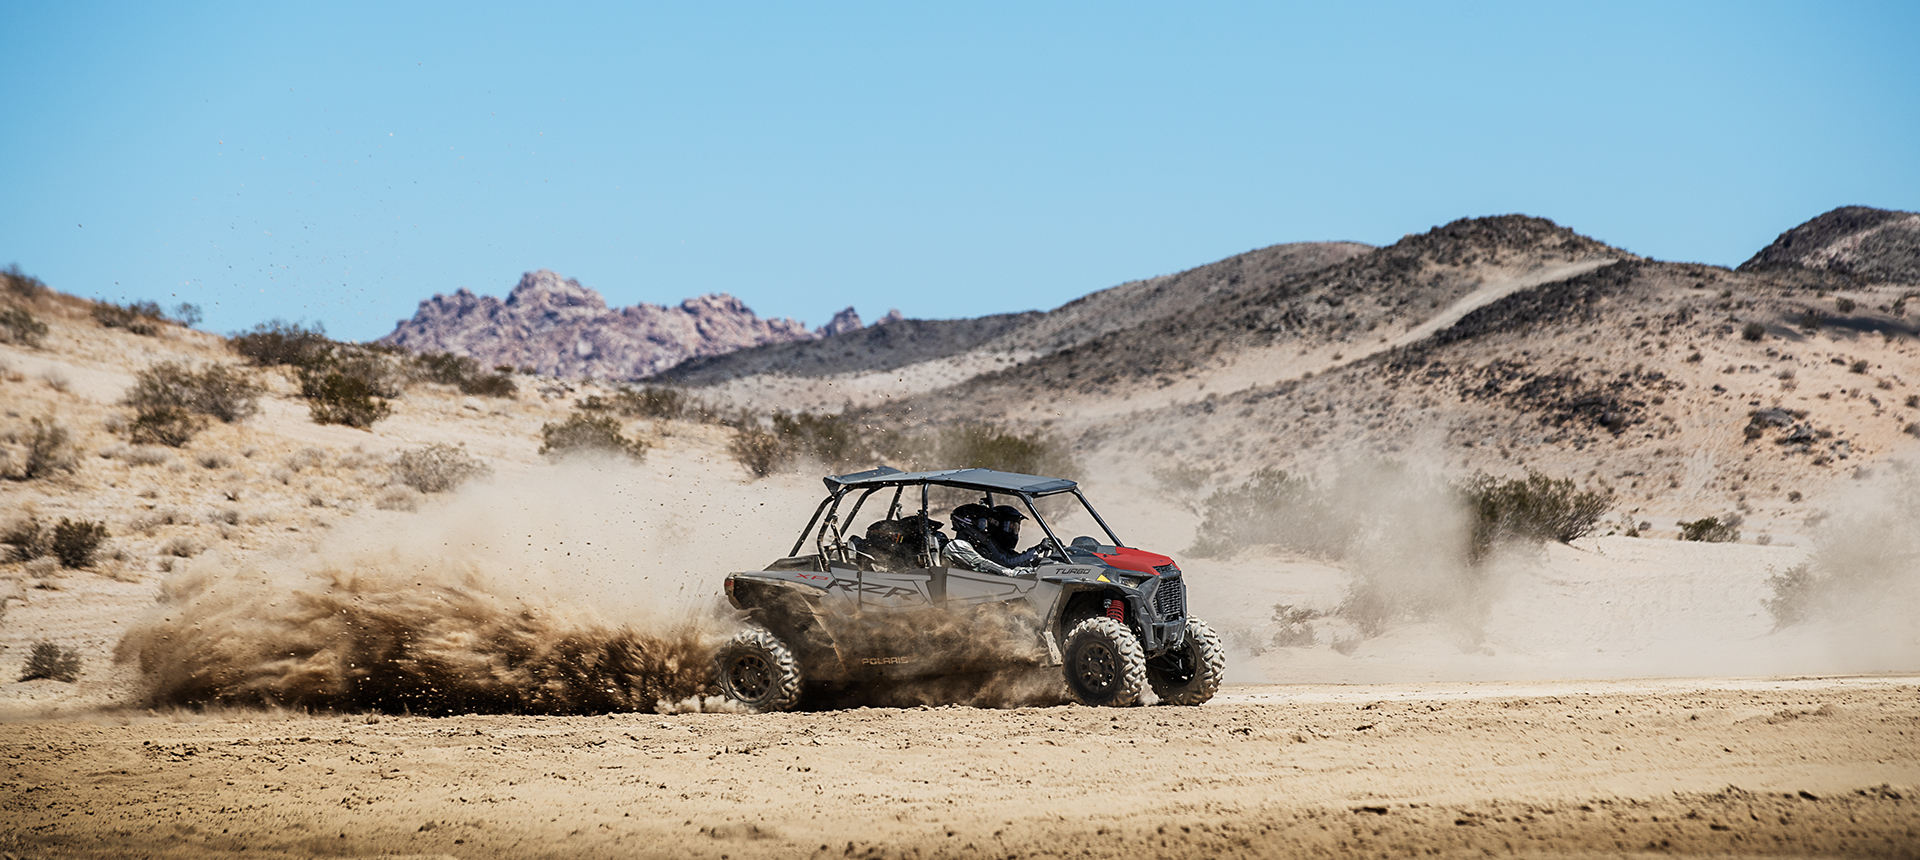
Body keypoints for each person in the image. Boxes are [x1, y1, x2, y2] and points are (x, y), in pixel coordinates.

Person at [947, 503, 1030, 576]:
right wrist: (1013, 573)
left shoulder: (977, 546)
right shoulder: (957, 545)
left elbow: (1005, 560)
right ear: (968, 524)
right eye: (982, 524)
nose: (985, 529)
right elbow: (982, 564)